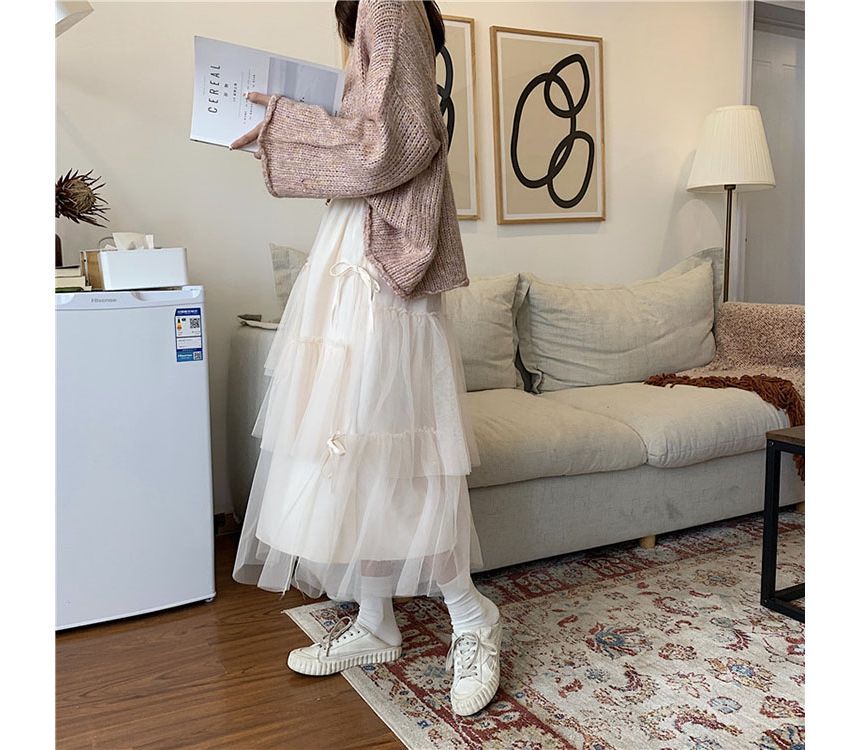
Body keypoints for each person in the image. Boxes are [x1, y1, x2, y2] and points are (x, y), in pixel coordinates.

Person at [228, 0, 500, 717]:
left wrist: (287, 123)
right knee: (359, 447)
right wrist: (287, 128)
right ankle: (376, 620)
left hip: (378, 269)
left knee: (394, 447)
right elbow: (374, 136)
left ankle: (473, 617)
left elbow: (397, 143)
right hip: (356, 251)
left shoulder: (388, 1)